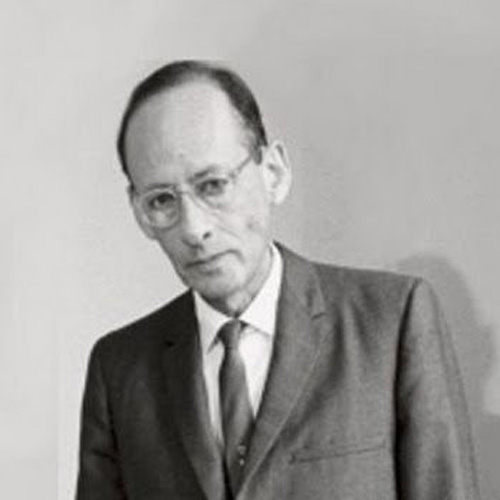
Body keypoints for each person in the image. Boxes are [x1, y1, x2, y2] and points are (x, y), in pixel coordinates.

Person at [76, 60, 480, 500]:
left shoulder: (392, 322)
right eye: (161, 200)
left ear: (274, 173)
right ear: (139, 212)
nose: (194, 229)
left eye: (213, 185)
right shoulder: (119, 369)